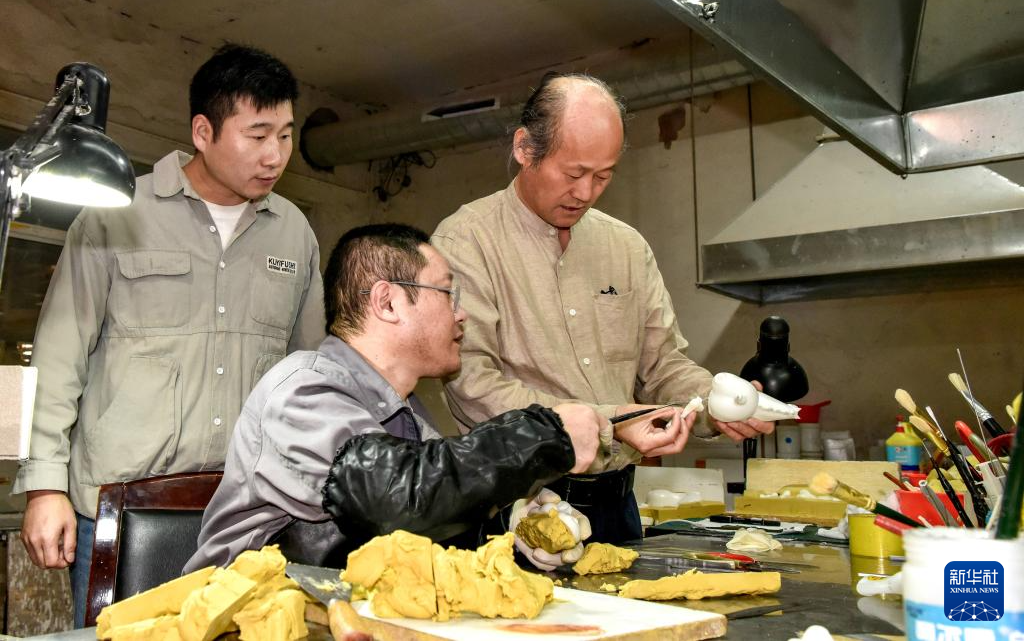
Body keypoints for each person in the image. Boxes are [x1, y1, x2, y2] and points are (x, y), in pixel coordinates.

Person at [13, 44, 325, 627]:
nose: (275, 155)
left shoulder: (294, 234)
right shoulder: (115, 212)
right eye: (258, 135)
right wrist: (43, 488)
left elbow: (306, 379)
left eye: (285, 136)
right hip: (119, 510)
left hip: (245, 518)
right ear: (203, 132)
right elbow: (54, 360)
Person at [185, 223, 684, 573]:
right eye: (448, 294)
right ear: (387, 302)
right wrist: (544, 433)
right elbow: (394, 499)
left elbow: (426, 520)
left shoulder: (405, 414)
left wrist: (515, 529)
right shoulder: (302, 389)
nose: (462, 315)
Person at [431, 72, 773, 544]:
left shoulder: (625, 246)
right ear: (524, 148)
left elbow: (661, 365)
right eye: (573, 174)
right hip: (517, 510)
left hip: (618, 506)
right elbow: (473, 385)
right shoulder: (466, 242)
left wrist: (716, 403)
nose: (587, 193)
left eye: (604, 176)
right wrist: (613, 420)